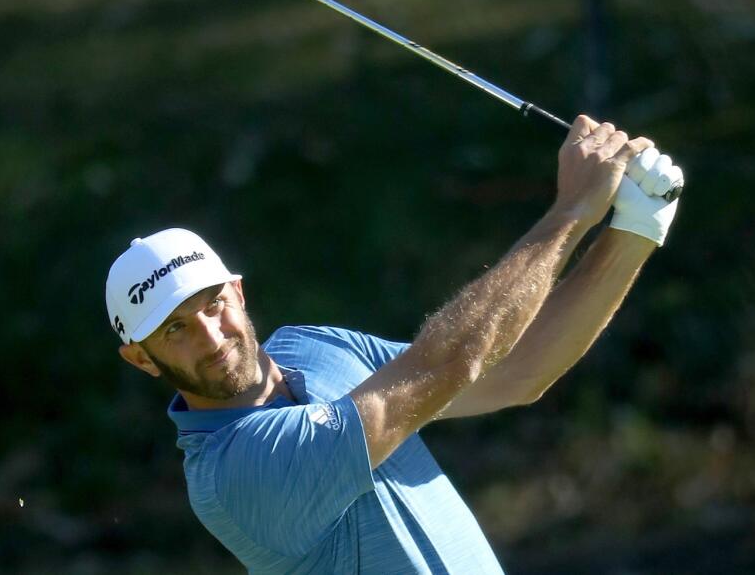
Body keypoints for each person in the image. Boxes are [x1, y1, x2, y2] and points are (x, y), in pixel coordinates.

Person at [104, 116, 684, 574]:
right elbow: (452, 359)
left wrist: (635, 228)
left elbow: (517, 372)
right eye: (174, 329)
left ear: (238, 289)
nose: (212, 335)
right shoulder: (235, 474)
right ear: (140, 358)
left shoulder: (314, 347)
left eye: (213, 304)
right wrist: (573, 210)